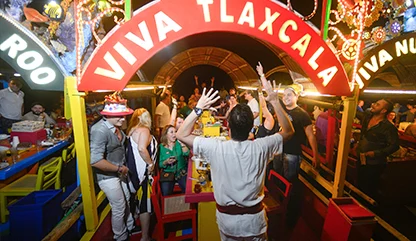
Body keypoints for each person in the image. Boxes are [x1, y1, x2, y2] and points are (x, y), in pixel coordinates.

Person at [176, 76, 294, 241]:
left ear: (228, 127)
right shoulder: (261, 146)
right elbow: (288, 131)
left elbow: (180, 134)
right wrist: (274, 101)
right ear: (249, 128)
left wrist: (199, 108)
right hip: (255, 223)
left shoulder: (216, 147)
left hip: (228, 223)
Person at [89, 94, 138, 241]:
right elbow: (95, 160)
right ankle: (120, 236)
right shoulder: (100, 130)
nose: (123, 119)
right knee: (119, 206)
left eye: (124, 116)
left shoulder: (116, 127)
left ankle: (130, 227)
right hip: (107, 176)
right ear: (108, 115)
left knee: (127, 199)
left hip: (119, 172)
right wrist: (118, 168)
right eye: (120, 116)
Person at [356, 98, 399, 201]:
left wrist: (375, 153)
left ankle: (369, 210)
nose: (373, 105)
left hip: (375, 163)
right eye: (375, 103)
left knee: (369, 188)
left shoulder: (388, 127)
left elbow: (394, 146)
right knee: (359, 184)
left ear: (384, 111)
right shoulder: (367, 118)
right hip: (361, 158)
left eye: (377, 104)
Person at [126, 108, 158, 241]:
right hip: (142, 174)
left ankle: (132, 227)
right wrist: (150, 164)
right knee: (146, 204)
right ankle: (145, 237)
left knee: (137, 202)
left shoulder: (131, 130)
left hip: (133, 172)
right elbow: (141, 148)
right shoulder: (144, 130)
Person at [159, 125, 189, 196]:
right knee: (165, 193)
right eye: (171, 132)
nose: (174, 134)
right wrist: (166, 162)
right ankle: (169, 206)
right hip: (168, 173)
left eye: (175, 132)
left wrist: (182, 144)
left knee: (187, 190)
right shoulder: (161, 147)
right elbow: (160, 164)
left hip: (181, 172)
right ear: (166, 135)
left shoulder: (179, 143)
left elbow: (187, 153)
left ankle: (186, 205)